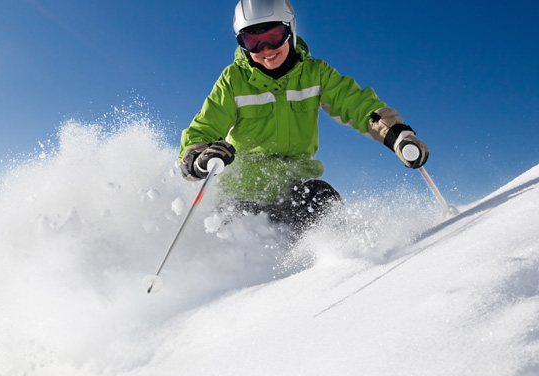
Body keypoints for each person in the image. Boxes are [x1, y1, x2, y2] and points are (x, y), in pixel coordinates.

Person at [180, 0, 429, 234]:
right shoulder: (233, 80)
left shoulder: (315, 74)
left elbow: (357, 104)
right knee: (233, 230)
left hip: (295, 190)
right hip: (242, 194)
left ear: (290, 30)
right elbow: (202, 129)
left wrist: (396, 134)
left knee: (322, 198)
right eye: (253, 41)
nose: (266, 49)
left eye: (274, 36)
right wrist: (198, 158)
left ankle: (338, 261)